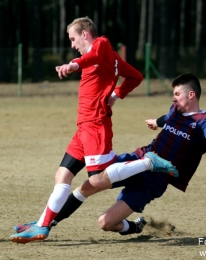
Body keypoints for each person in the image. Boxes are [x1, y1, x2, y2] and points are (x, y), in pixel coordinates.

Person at [12, 72, 205, 239]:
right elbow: (167, 118)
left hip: (155, 181)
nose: (173, 98)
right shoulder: (175, 110)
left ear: (191, 94)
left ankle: (134, 226)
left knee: (105, 223)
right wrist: (156, 121)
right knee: (91, 184)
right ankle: (44, 223)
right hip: (139, 158)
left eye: (177, 94)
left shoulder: (202, 121)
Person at [10, 16, 143, 243]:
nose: (72, 44)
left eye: (73, 38)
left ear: (85, 34)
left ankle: (146, 165)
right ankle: (42, 225)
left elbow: (95, 55)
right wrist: (115, 94)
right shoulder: (110, 59)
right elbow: (136, 76)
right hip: (83, 129)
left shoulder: (101, 44)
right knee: (62, 175)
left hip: (96, 126)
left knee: (98, 180)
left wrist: (74, 64)